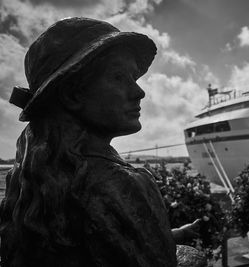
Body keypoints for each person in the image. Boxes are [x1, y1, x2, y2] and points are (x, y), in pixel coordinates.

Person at [0, 17, 203, 267]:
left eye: (134, 78)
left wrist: (168, 236)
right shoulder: (122, 184)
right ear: (72, 95)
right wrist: (192, 258)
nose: (139, 92)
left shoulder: (29, 183)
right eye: (119, 77)